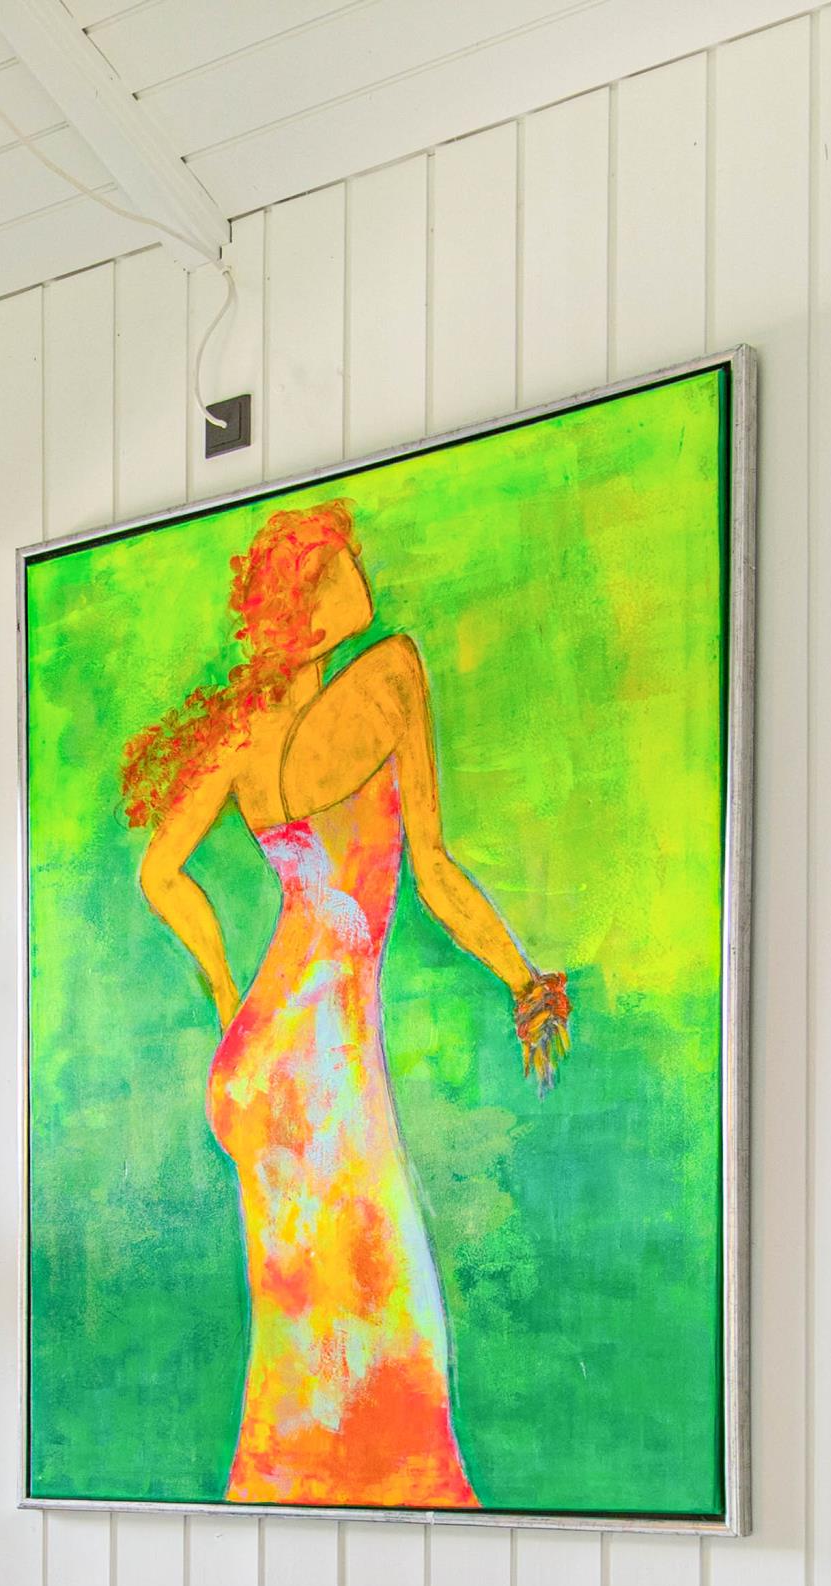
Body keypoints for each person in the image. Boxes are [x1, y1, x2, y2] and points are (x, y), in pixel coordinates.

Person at [122, 498, 569, 1509]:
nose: (359, 567)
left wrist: (231, 1000)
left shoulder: (244, 735)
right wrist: (524, 980)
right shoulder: (392, 675)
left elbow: (162, 875)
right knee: (389, 1325)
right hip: (319, 1065)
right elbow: (434, 871)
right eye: (342, 559)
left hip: (261, 1059)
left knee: (302, 1339)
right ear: (319, 597)